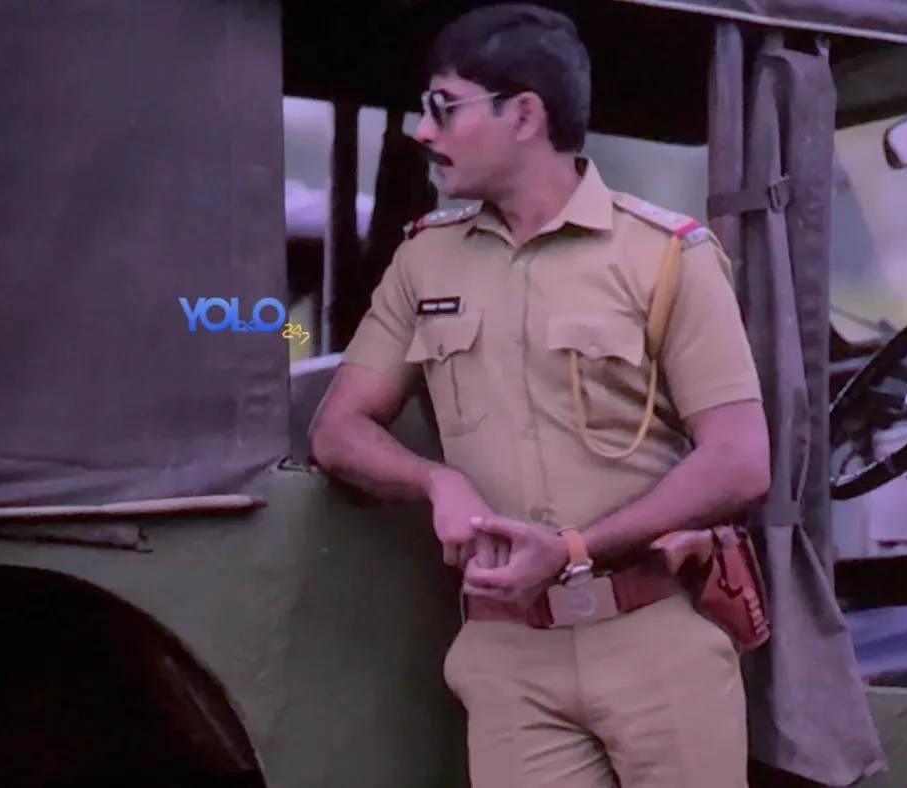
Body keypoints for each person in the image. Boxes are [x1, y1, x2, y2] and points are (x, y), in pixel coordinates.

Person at [308, 5, 770, 787]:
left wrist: (574, 551)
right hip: (509, 658)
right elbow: (339, 429)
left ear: (524, 115)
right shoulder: (425, 261)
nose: (424, 132)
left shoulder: (666, 257)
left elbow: (739, 460)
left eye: (444, 107)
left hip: (654, 643)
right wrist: (435, 481)